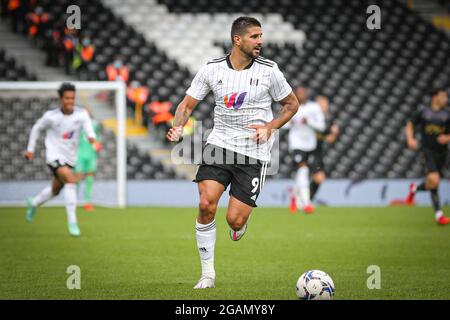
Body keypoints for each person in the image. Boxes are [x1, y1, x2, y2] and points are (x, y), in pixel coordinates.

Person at [166, 16, 299, 289]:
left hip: (255, 152)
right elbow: (187, 105)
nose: (260, 41)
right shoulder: (212, 69)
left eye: (261, 36)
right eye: (254, 36)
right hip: (220, 145)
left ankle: (239, 225)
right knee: (206, 204)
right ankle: (207, 274)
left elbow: (291, 104)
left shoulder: (269, 71)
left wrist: (271, 127)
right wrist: (178, 127)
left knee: (234, 221)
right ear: (237, 40)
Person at [25, 83, 98, 236]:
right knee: (71, 180)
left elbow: (89, 130)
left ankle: (34, 202)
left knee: (55, 190)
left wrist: (92, 139)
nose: (70, 101)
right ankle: (73, 222)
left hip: (70, 158)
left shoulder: (81, 115)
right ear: (61, 98)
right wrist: (30, 149)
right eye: (67, 98)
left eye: (72, 98)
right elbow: (36, 128)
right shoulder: (51, 116)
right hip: (54, 156)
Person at [404, 87, 450, 225]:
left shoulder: (447, 114)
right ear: (435, 97)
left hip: (442, 153)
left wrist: (448, 138)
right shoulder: (424, 112)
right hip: (427, 151)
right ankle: (439, 215)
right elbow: (410, 124)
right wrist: (410, 138)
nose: (446, 99)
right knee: (434, 180)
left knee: (433, 183)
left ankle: (415, 189)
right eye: (443, 96)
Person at [287, 87, 325, 213]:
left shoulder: (314, 107)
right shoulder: (291, 106)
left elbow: (321, 126)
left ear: (307, 94)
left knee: (303, 172)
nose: (300, 95)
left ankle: (294, 195)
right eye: (298, 93)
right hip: (296, 144)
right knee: (303, 169)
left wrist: (309, 122)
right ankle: (306, 204)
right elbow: (282, 124)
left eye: (303, 93)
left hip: (310, 145)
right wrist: (289, 122)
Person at [309, 95, 339, 202]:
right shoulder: (311, 118)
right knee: (316, 176)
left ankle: (305, 199)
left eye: (325, 104)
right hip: (308, 150)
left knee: (320, 178)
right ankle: (305, 200)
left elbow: (330, 140)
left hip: (318, 152)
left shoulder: (329, 120)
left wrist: (334, 133)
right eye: (321, 104)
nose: (324, 106)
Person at [74, 107, 102, 211]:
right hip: (80, 156)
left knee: (89, 179)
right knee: (77, 178)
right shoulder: (77, 126)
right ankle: (73, 201)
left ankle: (87, 202)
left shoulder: (94, 125)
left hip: (91, 156)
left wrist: (98, 146)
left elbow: (97, 142)